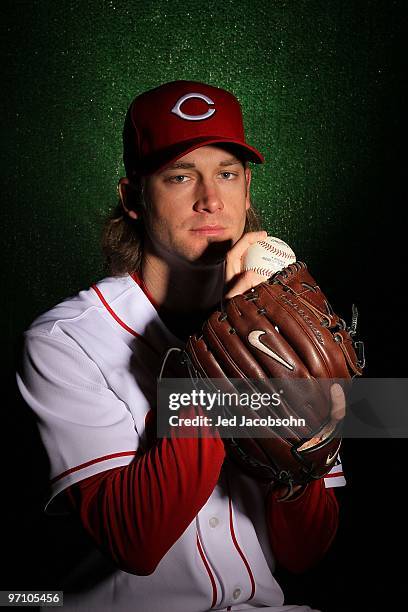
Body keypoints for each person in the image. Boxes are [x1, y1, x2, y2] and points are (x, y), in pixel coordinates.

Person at [17, 80, 346, 612]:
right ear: (133, 199)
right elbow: (134, 541)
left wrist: (303, 457)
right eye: (179, 176)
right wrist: (216, 374)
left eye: (227, 174)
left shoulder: (290, 331)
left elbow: (307, 553)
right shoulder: (64, 341)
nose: (210, 199)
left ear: (246, 192)